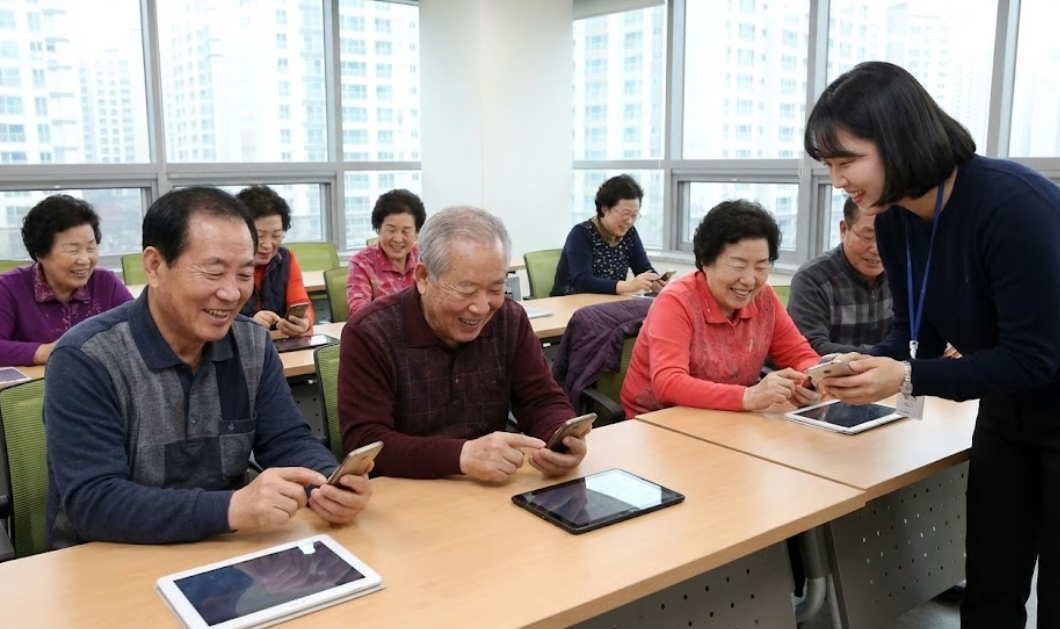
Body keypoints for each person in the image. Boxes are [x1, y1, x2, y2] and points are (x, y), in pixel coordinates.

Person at [805, 61, 1060, 628]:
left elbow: (1033, 359)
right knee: (990, 586)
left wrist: (907, 376)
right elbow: (914, 336)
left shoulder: (1013, 206)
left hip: (1048, 393)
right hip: (1006, 417)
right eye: (828, 165)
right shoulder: (894, 220)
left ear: (896, 139)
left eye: (846, 161)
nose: (838, 180)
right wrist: (861, 364)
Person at [43, 186, 371, 548]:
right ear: (154, 266)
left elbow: (286, 441)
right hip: (109, 558)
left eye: (244, 274)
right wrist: (231, 508)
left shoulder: (251, 343)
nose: (232, 293)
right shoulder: (86, 358)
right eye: (214, 273)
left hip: (220, 546)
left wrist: (327, 483)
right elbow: (94, 502)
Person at [339, 206, 588, 480]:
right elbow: (365, 441)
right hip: (406, 490)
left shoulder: (509, 319)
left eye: (496, 289)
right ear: (423, 278)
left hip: (492, 486)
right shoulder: (370, 332)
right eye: (467, 290)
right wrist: (461, 456)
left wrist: (560, 437)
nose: (482, 308)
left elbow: (541, 398)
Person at [620, 200, 820, 417]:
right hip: (656, 420)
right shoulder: (676, 302)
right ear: (706, 261)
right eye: (738, 265)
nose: (749, 280)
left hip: (728, 418)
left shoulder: (764, 299)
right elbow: (668, 383)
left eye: (761, 266)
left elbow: (799, 355)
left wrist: (813, 378)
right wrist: (748, 396)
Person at [0, 195, 133, 366]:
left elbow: (139, 329)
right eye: (73, 250)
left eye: (91, 248)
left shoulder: (105, 283)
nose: (85, 260)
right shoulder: (9, 288)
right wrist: (45, 352)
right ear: (40, 253)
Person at [787, 196, 892, 355]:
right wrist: (879, 358)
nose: (877, 249)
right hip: (832, 370)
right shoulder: (812, 279)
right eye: (867, 237)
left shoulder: (903, 273)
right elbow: (810, 346)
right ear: (843, 230)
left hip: (891, 368)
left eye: (888, 236)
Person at [551, 174, 663, 296]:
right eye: (625, 214)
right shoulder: (581, 233)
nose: (629, 221)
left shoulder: (629, 233)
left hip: (608, 302)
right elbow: (582, 282)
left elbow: (643, 268)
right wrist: (628, 286)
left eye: (634, 215)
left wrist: (658, 283)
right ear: (604, 208)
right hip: (571, 302)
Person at [235, 184, 313, 338]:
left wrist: (304, 321)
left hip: (277, 343)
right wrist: (248, 324)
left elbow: (301, 303)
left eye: (276, 235)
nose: (267, 245)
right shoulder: (226, 264)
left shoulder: (286, 259)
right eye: (260, 236)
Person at [346, 188, 426, 316]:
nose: (398, 239)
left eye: (406, 231)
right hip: (382, 328)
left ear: (416, 232)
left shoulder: (425, 257)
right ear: (378, 229)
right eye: (391, 230)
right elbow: (359, 311)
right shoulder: (362, 263)